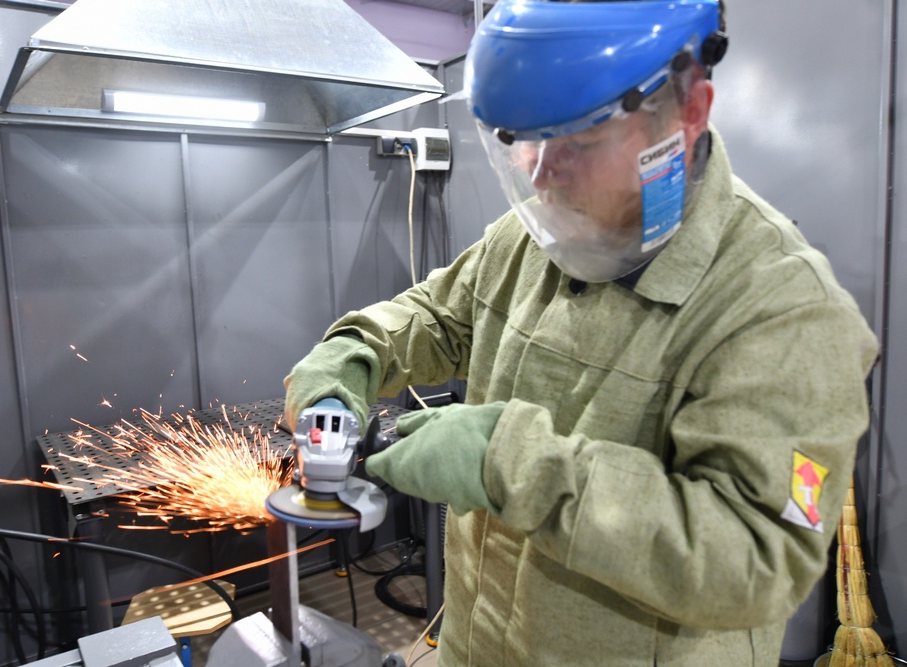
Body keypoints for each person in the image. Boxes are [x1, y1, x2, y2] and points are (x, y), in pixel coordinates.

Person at [284, 0, 879, 664]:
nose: (541, 174)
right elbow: (439, 316)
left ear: (688, 113)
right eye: (524, 141)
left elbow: (756, 562)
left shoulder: (784, 307)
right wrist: (358, 350)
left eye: (578, 141)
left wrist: (513, 466)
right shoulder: (534, 235)